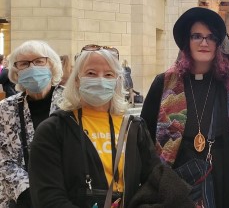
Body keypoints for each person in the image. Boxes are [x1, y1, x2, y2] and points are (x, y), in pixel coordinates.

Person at [28, 44, 192, 208]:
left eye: (108, 74)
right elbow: (48, 197)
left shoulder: (133, 128)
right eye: (91, 73)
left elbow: (154, 179)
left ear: (117, 82)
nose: (100, 79)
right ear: (77, 80)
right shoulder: (53, 130)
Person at [140, 7, 229, 208]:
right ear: (186, 42)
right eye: (196, 36)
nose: (204, 42)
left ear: (218, 44)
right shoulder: (165, 83)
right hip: (175, 180)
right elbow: (144, 137)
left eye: (211, 37)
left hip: (222, 177)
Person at [0, 40, 64, 207]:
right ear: (16, 71)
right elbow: (3, 159)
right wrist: (32, 193)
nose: (32, 68)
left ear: (52, 65)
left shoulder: (72, 104)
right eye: (24, 64)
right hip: (23, 200)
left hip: (66, 196)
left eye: (39, 61)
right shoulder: (5, 109)